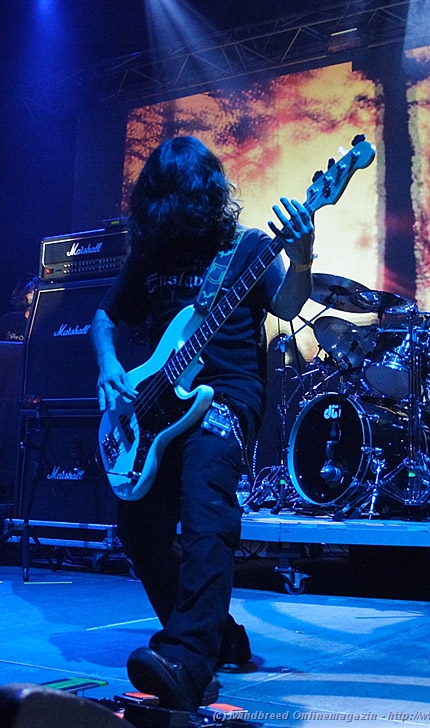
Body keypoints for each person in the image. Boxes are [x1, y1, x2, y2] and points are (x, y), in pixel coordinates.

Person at [91, 136, 315, 712]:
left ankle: (187, 658)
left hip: (227, 396)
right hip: (155, 408)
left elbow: (288, 307)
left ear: (204, 194)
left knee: (204, 501)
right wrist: (110, 367)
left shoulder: (248, 248)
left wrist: (303, 256)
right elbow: (104, 318)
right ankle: (219, 636)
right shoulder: (150, 256)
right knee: (137, 523)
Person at [0, 275, 37, 342]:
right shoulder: (9, 319)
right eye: (28, 291)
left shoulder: (44, 324)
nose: (27, 294)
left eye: (32, 290)